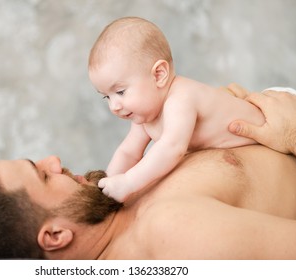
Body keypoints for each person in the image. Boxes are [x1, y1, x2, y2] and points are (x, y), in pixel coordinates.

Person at [0, 85, 296, 259]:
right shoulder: (175, 234)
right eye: (43, 175)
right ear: (56, 235)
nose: (53, 160)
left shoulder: (124, 204)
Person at [88, 17, 265, 202]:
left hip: (262, 132)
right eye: (107, 97)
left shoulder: (180, 99)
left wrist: (128, 182)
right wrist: (106, 186)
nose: (114, 106)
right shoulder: (146, 116)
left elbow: (172, 148)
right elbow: (129, 152)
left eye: (120, 92)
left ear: (159, 75)